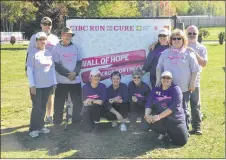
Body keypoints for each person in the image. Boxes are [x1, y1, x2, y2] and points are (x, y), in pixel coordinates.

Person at [156, 29, 200, 130]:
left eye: (178, 38)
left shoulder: (189, 53)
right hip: (168, 88)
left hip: (183, 87)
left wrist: (192, 83)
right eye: (174, 38)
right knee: (168, 107)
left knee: (183, 108)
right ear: (170, 40)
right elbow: (159, 67)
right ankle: (171, 128)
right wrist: (158, 79)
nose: (176, 40)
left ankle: (185, 129)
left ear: (183, 40)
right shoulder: (165, 53)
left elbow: (195, 70)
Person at [26, 17, 59, 123]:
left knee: (50, 95)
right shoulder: (34, 37)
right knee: (38, 98)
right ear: (41, 25)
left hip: (51, 70)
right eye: (45, 24)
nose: (47, 26)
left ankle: (49, 116)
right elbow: (29, 53)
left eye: (49, 24)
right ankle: (37, 120)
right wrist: (27, 68)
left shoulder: (55, 38)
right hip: (37, 71)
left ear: (51, 25)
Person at [144, 71, 188, 146]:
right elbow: (149, 103)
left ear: (171, 80)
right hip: (161, 118)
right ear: (160, 79)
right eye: (163, 77)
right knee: (146, 123)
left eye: (168, 78)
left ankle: (169, 132)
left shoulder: (176, 89)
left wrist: (158, 117)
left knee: (181, 142)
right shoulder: (155, 89)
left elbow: (174, 106)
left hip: (174, 119)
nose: (165, 79)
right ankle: (163, 132)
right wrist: (147, 115)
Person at [52, 27, 82, 125]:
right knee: (59, 103)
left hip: (75, 80)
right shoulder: (56, 48)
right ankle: (57, 121)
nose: (68, 37)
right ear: (62, 35)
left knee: (77, 102)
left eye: (70, 35)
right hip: (62, 81)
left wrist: (75, 73)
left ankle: (76, 121)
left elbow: (79, 62)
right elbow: (57, 65)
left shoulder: (76, 47)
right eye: (66, 35)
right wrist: (68, 74)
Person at [186, 25, 208, 135]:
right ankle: (184, 127)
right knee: (183, 105)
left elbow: (204, 63)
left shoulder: (202, 48)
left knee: (195, 105)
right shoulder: (181, 44)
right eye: (189, 33)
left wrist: (194, 53)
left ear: (197, 34)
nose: (192, 35)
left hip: (195, 81)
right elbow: (166, 41)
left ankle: (197, 127)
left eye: (194, 33)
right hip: (183, 81)